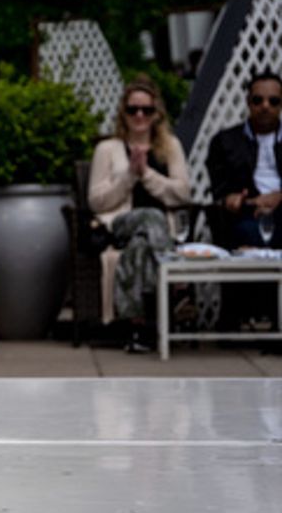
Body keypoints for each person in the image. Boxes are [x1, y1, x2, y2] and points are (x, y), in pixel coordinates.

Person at [88, 77, 191, 353]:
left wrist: (147, 174)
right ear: (124, 112)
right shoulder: (107, 149)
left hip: (154, 235)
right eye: (133, 109)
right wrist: (130, 176)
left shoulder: (170, 147)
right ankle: (175, 286)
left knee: (142, 245)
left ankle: (139, 327)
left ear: (157, 113)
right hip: (119, 224)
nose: (140, 116)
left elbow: (182, 194)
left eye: (146, 110)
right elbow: (97, 201)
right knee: (149, 217)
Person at [206, 70, 282, 249]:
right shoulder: (225, 141)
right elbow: (220, 192)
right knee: (249, 231)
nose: (265, 106)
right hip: (247, 214)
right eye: (257, 100)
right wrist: (236, 200)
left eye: (273, 101)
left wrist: (278, 198)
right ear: (248, 103)